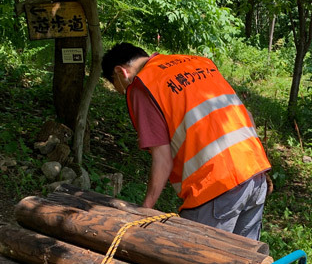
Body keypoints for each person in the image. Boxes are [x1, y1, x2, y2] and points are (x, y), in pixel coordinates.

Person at [100, 43, 271, 240]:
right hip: (255, 172)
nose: (122, 92)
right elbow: (245, 114)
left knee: (196, 261)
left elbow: (162, 159)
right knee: (245, 263)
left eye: (117, 86)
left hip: (215, 185)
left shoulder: (142, 86)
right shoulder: (198, 63)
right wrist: (261, 167)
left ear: (120, 72)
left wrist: (144, 210)